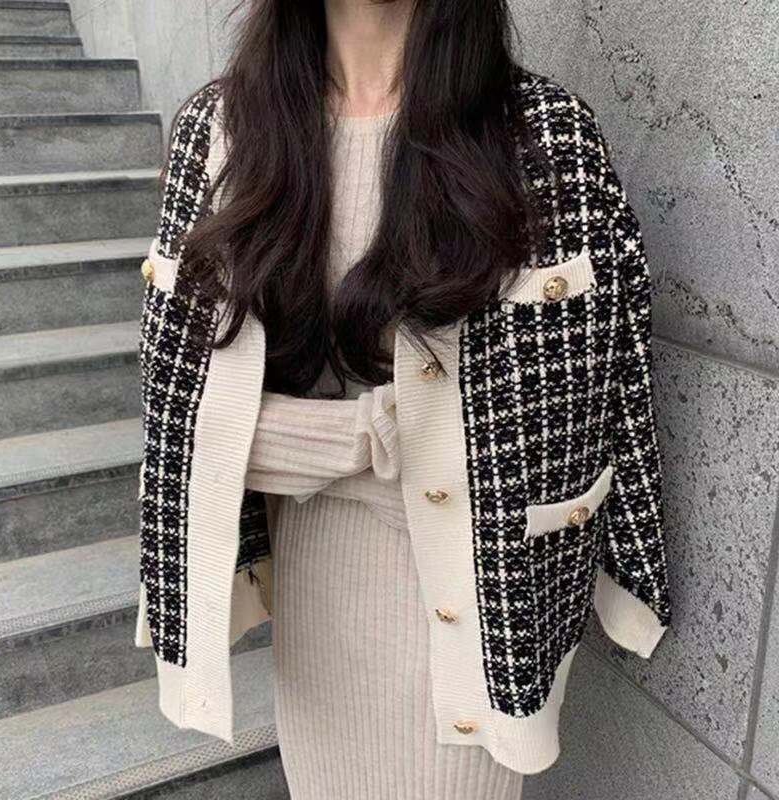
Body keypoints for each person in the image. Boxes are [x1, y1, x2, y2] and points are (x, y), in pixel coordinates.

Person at [134, 1, 673, 797]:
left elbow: (606, 389)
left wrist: (633, 572)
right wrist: (375, 434)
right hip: (316, 608)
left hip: (479, 616)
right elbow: (183, 415)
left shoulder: (543, 134)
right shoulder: (221, 134)